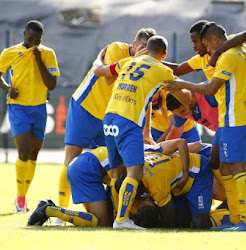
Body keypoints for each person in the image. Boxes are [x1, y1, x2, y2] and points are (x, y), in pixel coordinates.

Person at [54, 28, 156, 226]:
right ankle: (60, 213)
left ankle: (116, 213)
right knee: (71, 159)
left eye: (148, 49)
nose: (144, 52)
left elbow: (147, 95)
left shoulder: (146, 64)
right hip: (85, 107)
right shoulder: (117, 48)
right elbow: (109, 77)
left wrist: (147, 131)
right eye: (141, 48)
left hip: (110, 118)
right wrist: (134, 61)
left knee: (113, 166)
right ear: (133, 46)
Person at [165, 22, 246, 231]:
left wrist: (182, 84)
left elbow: (211, 87)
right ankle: (235, 217)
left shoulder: (228, 54)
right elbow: (179, 68)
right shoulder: (208, 57)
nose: (199, 47)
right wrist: (152, 62)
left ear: (212, 40)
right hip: (228, 119)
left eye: (199, 42)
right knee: (219, 163)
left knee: (240, 167)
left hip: (236, 117)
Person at [93, 35, 189, 229]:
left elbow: (99, 71)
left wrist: (99, 58)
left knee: (116, 173)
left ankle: (117, 216)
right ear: (164, 54)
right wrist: (179, 82)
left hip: (109, 117)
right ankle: (121, 220)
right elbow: (185, 99)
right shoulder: (163, 70)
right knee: (135, 172)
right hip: (128, 120)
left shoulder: (128, 61)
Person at [0, 20, 60, 213]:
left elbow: (51, 84)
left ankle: (24, 196)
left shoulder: (48, 54)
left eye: (38, 41)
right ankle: (19, 198)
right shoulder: (9, 52)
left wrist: (38, 59)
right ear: (24, 33)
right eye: (30, 39)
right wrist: (7, 88)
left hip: (39, 108)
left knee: (33, 154)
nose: (34, 43)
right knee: (23, 152)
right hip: (18, 108)